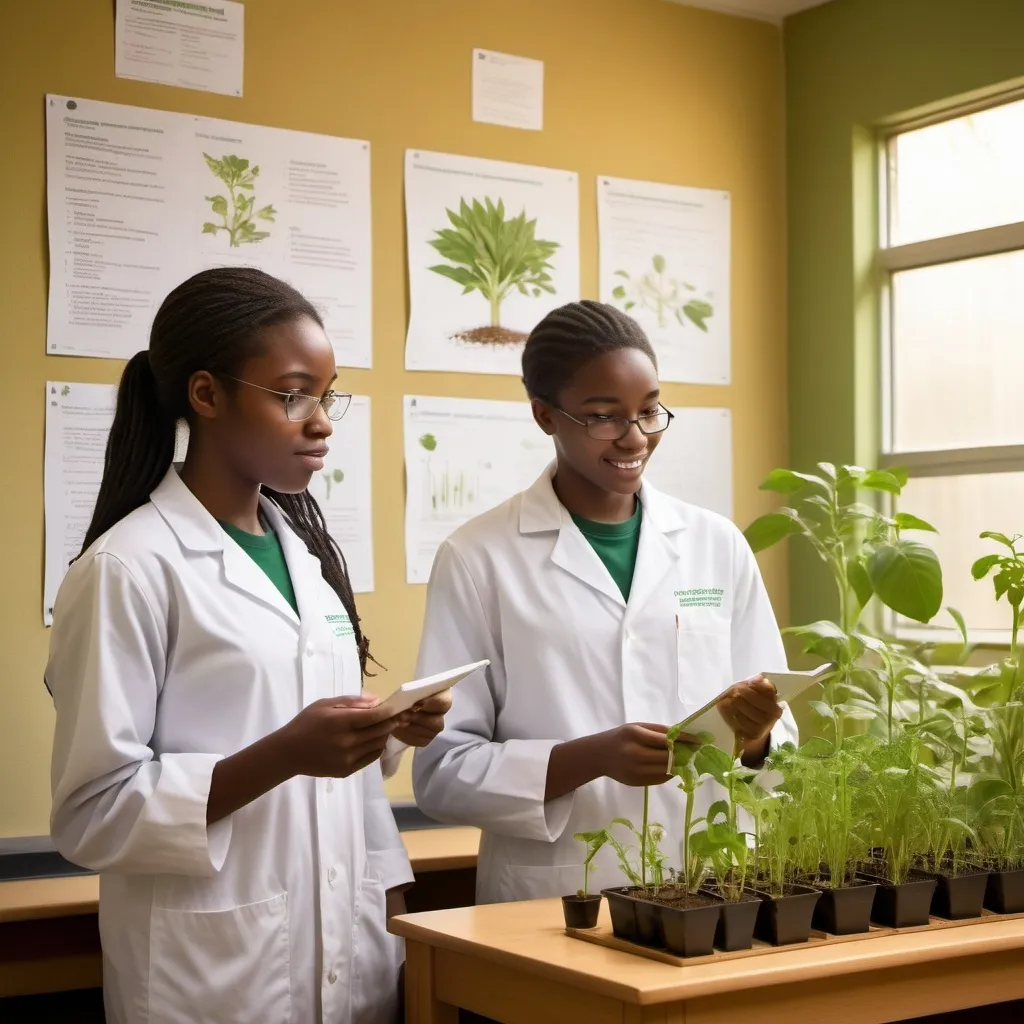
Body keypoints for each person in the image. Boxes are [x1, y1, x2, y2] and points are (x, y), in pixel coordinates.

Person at [46, 267, 450, 1024]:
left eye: (328, 396)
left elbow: (307, 733)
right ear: (207, 395)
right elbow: (91, 813)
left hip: (351, 961)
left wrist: (387, 727)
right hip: (212, 980)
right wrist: (284, 754)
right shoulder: (127, 568)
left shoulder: (308, 559)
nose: (321, 421)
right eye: (293, 394)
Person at [412, 300, 798, 905]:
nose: (635, 436)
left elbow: (778, 737)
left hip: (710, 886)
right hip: (557, 894)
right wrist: (587, 758)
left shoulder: (714, 544)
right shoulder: (478, 557)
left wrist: (755, 739)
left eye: (649, 411)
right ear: (545, 416)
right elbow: (441, 773)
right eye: (603, 417)